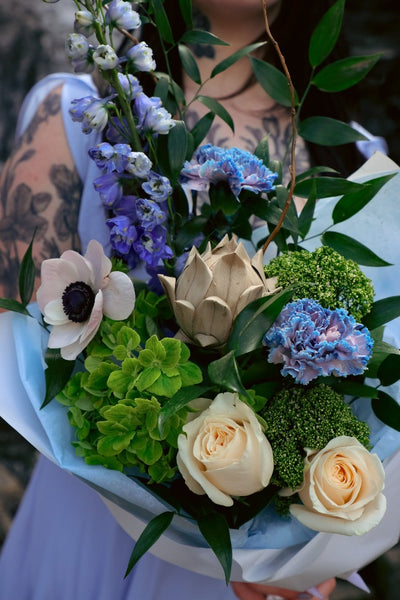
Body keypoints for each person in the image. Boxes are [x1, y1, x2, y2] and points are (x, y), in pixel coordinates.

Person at [0, 0, 391, 598]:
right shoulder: (76, 114)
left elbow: (370, 387)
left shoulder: (356, 159)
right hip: (91, 533)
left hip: (252, 570)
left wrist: (319, 553)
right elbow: (17, 343)